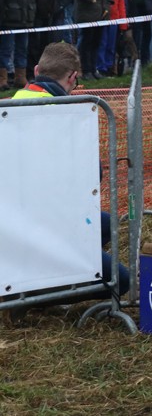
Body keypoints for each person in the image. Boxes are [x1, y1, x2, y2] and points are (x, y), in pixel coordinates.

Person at [12, 42, 130, 310]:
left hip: (15, 217)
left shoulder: (15, 100)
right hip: (48, 221)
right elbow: (92, 177)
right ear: (73, 77)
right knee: (120, 282)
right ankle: (33, 297)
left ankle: (58, 268)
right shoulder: (65, 112)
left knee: (105, 223)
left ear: (36, 70)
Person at [0, 0, 36, 90]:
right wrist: (4, 13)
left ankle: (20, 78)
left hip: (25, 17)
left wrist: (32, 10)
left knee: (22, 49)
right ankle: (2, 79)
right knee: (5, 49)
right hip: (8, 18)